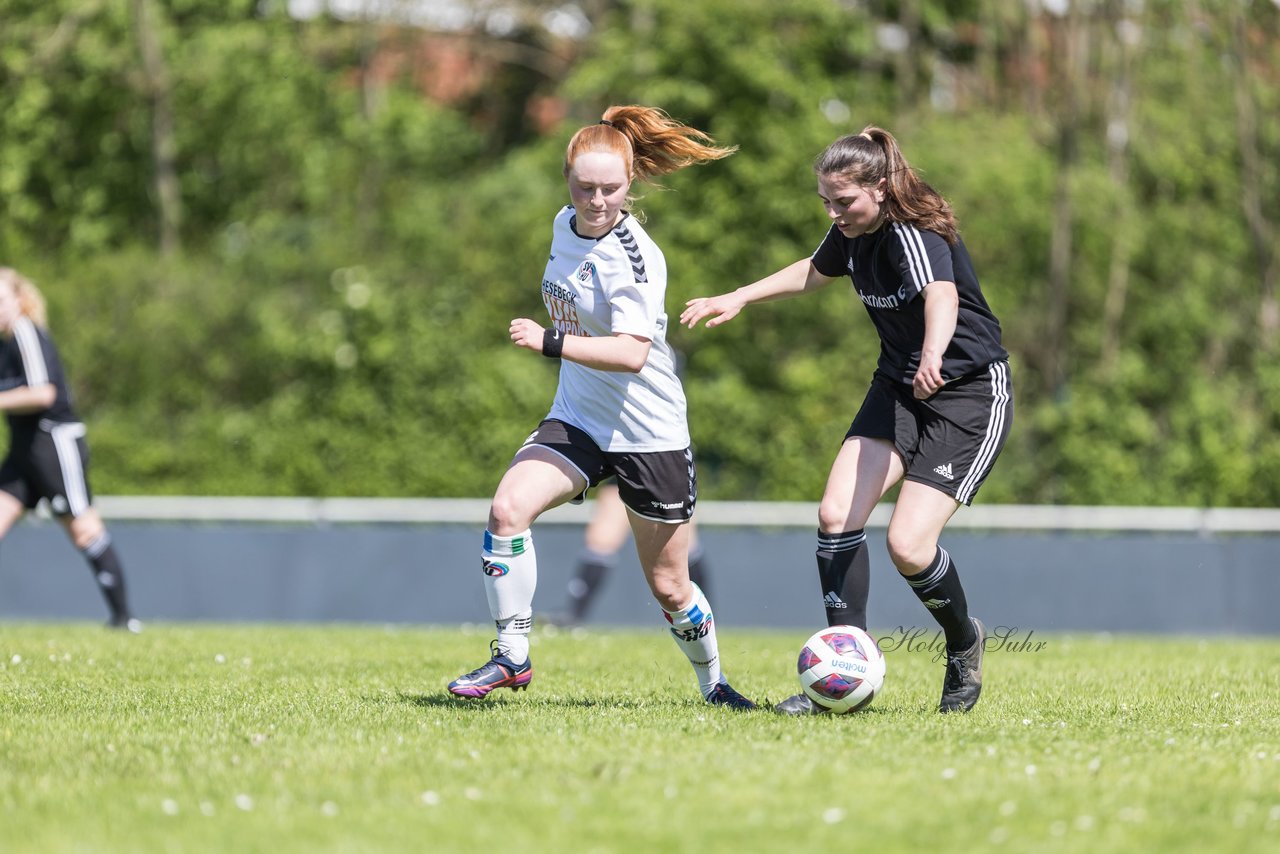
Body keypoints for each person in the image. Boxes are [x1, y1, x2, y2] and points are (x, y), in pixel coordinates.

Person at [681, 126, 1013, 715]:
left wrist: (934, 353)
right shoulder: (851, 232)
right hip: (898, 386)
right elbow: (814, 270)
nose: (835, 215)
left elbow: (942, 295)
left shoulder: (915, 230)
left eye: (845, 202)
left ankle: (963, 641)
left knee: (909, 546)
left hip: (965, 393)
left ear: (880, 189)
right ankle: (844, 675)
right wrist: (739, 295)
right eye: (826, 203)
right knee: (836, 515)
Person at [447, 105, 754, 710]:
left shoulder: (636, 258)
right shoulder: (564, 225)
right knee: (507, 510)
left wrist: (550, 341)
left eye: (610, 189)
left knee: (669, 586)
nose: (596, 200)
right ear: (567, 181)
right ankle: (511, 658)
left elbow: (633, 353)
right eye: (584, 187)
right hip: (580, 418)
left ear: (631, 183)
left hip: (649, 431)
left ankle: (714, 684)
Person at [0, 267, 141, 632]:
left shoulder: (25, 332)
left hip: (52, 443)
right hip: (23, 448)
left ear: (18, 299)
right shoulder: (3, 343)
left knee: (83, 529)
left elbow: (42, 392)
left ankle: (124, 619)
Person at [556, 477, 711, 626]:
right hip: (624, 466)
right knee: (601, 539)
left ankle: (705, 619)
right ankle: (574, 615)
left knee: (683, 547)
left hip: (665, 464)